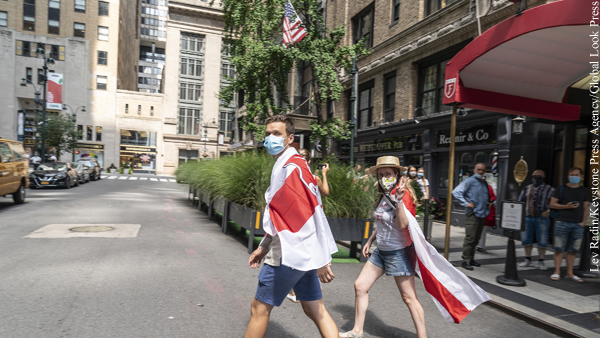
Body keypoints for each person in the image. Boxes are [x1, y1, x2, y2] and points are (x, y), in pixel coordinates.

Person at [245, 115, 339, 338]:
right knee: (315, 309)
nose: (270, 138)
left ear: (290, 138)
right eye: (268, 134)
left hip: (288, 252)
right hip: (300, 253)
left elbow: (308, 213)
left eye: (276, 134)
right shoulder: (294, 164)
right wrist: (263, 246)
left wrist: (322, 258)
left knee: (259, 309)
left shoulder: (291, 167)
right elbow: (287, 212)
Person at [340, 156, 426, 338]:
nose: (384, 177)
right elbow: (382, 221)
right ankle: (357, 331)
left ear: (397, 174)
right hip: (381, 250)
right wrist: (371, 240)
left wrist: (400, 201)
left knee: (409, 298)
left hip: (399, 252)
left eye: (388, 173)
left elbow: (403, 224)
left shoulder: (403, 194)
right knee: (360, 286)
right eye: (381, 174)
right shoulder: (384, 194)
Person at [287, 149, 330, 303]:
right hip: (314, 219)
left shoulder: (293, 177)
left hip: (299, 221)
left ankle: (295, 291)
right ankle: (310, 287)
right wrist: (324, 174)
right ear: (310, 162)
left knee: (297, 252)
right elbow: (326, 193)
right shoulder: (314, 178)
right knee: (310, 251)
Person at [549, 167, 589, 282]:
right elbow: (552, 204)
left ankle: (570, 273)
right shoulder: (561, 189)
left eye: (577, 175)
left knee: (573, 250)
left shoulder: (584, 191)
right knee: (559, 248)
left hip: (578, 224)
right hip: (562, 222)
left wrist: (583, 222)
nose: (575, 177)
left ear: (581, 177)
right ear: (568, 176)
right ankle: (556, 271)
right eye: (572, 174)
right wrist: (566, 206)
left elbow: (586, 207)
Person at [452, 163, 490, 271]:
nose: (481, 171)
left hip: (482, 213)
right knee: (470, 238)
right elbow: (456, 192)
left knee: (476, 238)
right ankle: (465, 260)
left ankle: (471, 258)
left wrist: (487, 202)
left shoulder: (483, 182)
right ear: (474, 170)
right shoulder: (469, 181)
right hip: (472, 214)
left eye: (483, 170)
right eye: (479, 169)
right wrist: (466, 203)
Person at [517, 170, 554, 270]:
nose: (536, 178)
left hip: (541, 218)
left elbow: (554, 203)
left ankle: (541, 261)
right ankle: (527, 259)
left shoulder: (550, 189)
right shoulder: (526, 188)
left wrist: (549, 211)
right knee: (526, 240)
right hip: (527, 217)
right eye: (534, 176)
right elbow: (520, 202)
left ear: (544, 177)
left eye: (539, 176)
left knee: (542, 241)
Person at [476, 174, 496, 254]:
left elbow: (493, 196)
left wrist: (490, 201)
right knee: (475, 229)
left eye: (485, 177)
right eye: (482, 176)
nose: (483, 178)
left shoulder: (489, 187)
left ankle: (480, 246)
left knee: (483, 229)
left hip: (485, 211)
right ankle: (474, 244)